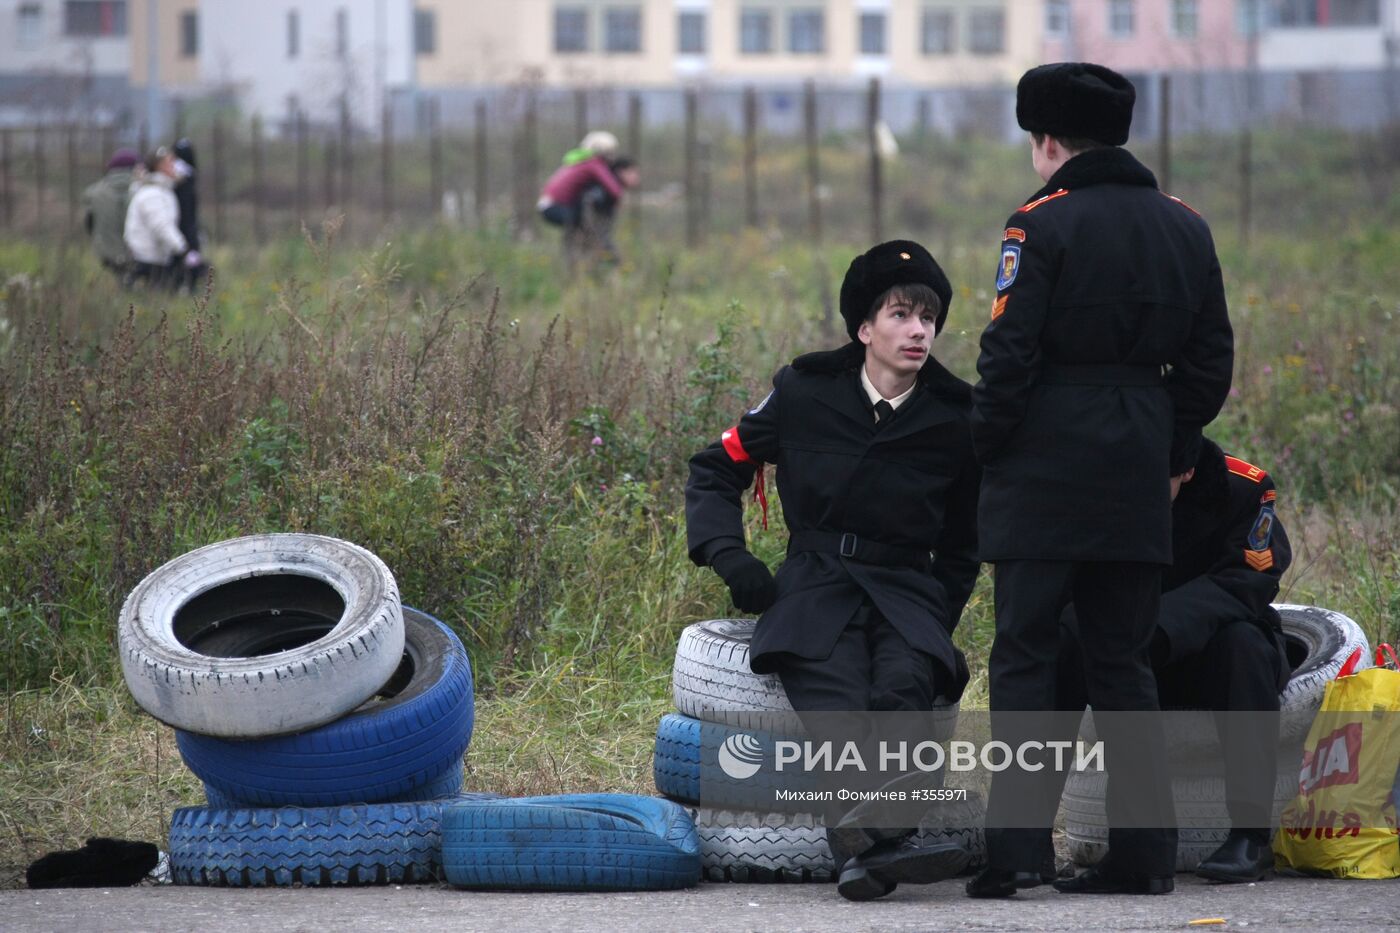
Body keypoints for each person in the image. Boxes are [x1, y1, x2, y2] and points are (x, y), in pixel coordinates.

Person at [966, 62, 1234, 898]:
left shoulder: (1037, 225)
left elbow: (1008, 360)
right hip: (1135, 470)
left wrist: (979, 445)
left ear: (1047, 141)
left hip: (1042, 468)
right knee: (1123, 664)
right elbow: (1211, 358)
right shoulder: (1186, 225)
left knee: (1024, 658)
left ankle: (1014, 854)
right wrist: (1172, 441)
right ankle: (1146, 857)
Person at [686, 240, 982, 901]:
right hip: (816, 583)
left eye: (928, 318)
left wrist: (941, 610)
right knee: (840, 701)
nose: (917, 331)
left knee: (905, 685)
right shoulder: (803, 391)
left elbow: (966, 539)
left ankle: (861, 844)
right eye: (901, 314)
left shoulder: (958, 416)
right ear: (864, 328)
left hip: (908, 590)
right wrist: (729, 555)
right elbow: (715, 467)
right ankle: (885, 844)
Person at [1055, 439, 1292, 883]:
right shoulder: (1095, 484)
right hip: (1118, 655)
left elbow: (1247, 578)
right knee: (1059, 642)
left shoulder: (1244, 487)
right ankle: (1025, 834)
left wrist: (1156, 628)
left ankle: (1250, 836)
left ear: (1186, 472)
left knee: (1247, 647)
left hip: (1205, 650)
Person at [536, 143, 635, 269]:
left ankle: (582, 262)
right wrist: (618, 199)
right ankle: (586, 263)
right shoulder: (594, 164)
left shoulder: (579, 163)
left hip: (547, 205)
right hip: (555, 207)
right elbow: (614, 190)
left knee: (582, 230)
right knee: (589, 231)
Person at [123, 147, 190, 290]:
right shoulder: (152, 194)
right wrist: (183, 249)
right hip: (146, 261)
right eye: (170, 162)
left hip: (157, 258)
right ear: (159, 167)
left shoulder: (162, 191)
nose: (174, 166)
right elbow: (161, 227)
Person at [82, 147, 139, 279]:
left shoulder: (94, 192)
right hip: (136, 253)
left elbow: (89, 223)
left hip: (105, 251)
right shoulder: (140, 191)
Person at [171, 138, 208, 292]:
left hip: (178, 225)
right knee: (187, 255)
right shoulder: (186, 178)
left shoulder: (178, 177)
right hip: (184, 227)